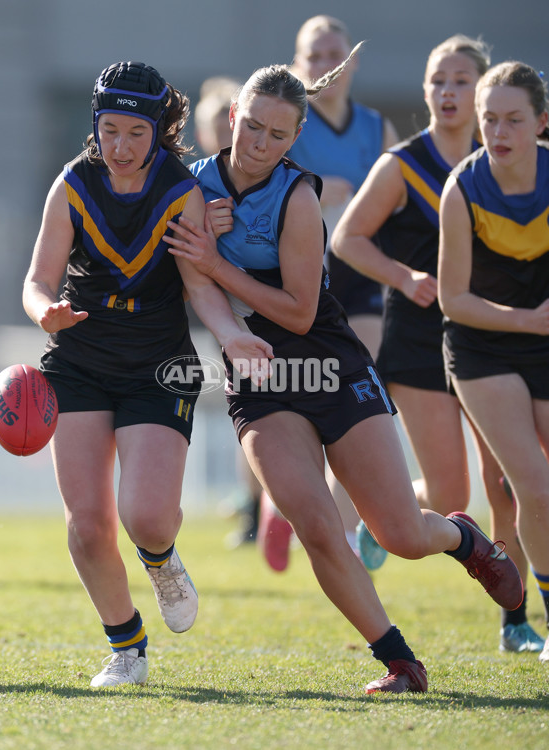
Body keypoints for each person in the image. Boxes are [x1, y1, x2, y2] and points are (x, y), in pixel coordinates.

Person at [163, 55, 524, 693]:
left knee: (402, 535)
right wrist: (229, 332)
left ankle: (462, 540)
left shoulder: (298, 195)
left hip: (327, 357)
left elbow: (300, 314)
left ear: (295, 138)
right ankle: (400, 662)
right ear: (232, 117)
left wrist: (219, 264)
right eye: (252, 128)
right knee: (315, 523)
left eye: (278, 135)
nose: (259, 146)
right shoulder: (193, 186)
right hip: (257, 371)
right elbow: (196, 282)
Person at [22, 61, 273, 688]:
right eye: (110, 131)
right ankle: (127, 648)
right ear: (96, 127)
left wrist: (233, 334)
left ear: (159, 132)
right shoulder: (73, 184)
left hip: (156, 365)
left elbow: (200, 284)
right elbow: (36, 280)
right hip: (79, 360)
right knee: (87, 525)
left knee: (149, 518)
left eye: (136, 133)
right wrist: (43, 313)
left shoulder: (181, 190)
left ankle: (160, 560)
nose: (121, 146)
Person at [330, 35, 544, 654]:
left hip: (490, 338)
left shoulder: (504, 155)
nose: (447, 93)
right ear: (425, 92)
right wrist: (404, 277)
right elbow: (347, 239)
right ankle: (385, 519)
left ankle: (516, 618)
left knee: (507, 482)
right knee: (450, 495)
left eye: (460, 81)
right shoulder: (402, 164)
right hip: (420, 340)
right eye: (437, 81)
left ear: (483, 91)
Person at [258, 15, 401, 571]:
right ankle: (283, 501)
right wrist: (316, 192)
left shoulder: (376, 128)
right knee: (297, 393)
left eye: (334, 54)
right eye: (313, 56)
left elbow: (397, 197)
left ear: (353, 61)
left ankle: (344, 533)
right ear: (297, 64)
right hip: (298, 277)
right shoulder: (288, 122)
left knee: (358, 386)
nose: (325, 66)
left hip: (358, 276)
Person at [438, 60, 549, 664]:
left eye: (513, 119)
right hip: (483, 345)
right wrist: (526, 319)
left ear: (542, 121)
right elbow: (454, 301)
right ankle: (533, 619)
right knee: (529, 484)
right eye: (489, 120)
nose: (499, 132)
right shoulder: (463, 187)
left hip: (545, 340)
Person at [195, 74, 265, 548]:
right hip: (216, 309)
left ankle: (262, 504)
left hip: (262, 309)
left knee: (261, 407)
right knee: (246, 409)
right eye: (214, 134)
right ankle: (255, 504)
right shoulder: (194, 183)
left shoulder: (274, 181)